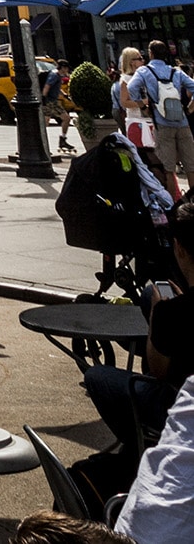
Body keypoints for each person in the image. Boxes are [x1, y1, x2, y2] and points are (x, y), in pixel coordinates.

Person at [81, 198, 194, 455]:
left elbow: (158, 371)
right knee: (148, 293)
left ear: (180, 249)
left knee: (98, 377)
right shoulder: (177, 309)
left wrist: (157, 316)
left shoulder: (172, 312)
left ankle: (139, 447)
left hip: (180, 402)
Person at [114, 370, 194, 544]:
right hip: (142, 531)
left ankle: (129, 458)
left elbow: (158, 364)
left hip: (132, 532)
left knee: (99, 378)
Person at [128, 41, 194, 190]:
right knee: (191, 166)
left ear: (151, 54)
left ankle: (173, 207)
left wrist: (143, 107)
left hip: (162, 123)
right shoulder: (175, 71)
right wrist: (189, 109)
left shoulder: (144, 71)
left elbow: (132, 87)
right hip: (182, 122)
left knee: (168, 169)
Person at [120, 48, 158, 160]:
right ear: (132, 62)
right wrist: (144, 102)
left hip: (150, 119)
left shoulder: (144, 76)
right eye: (140, 59)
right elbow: (124, 102)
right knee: (141, 154)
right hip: (136, 120)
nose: (143, 61)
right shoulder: (126, 79)